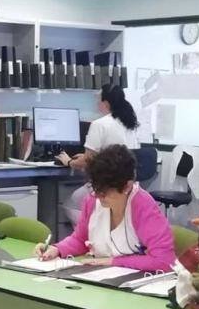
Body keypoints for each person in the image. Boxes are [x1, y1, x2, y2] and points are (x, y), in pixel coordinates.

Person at [36, 145, 174, 272]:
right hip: (102, 275)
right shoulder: (92, 200)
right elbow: (80, 239)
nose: (97, 195)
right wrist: (57, 249)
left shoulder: (144, 206)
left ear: (127, 186)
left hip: (137, 281)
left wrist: (113, 262)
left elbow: (164, 261)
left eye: (104, 191)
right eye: (96, 188)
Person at [60, 84, 140, 223]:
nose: (97, 103)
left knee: (70, 204)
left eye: (99, 100)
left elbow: (87, 161)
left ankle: (89, 232)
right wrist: (87, 156)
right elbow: (113, 155)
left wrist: (68, 161)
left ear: (106, 103)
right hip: (127, 186)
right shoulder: (130, 124)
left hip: (105, 185)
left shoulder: (99, 124)